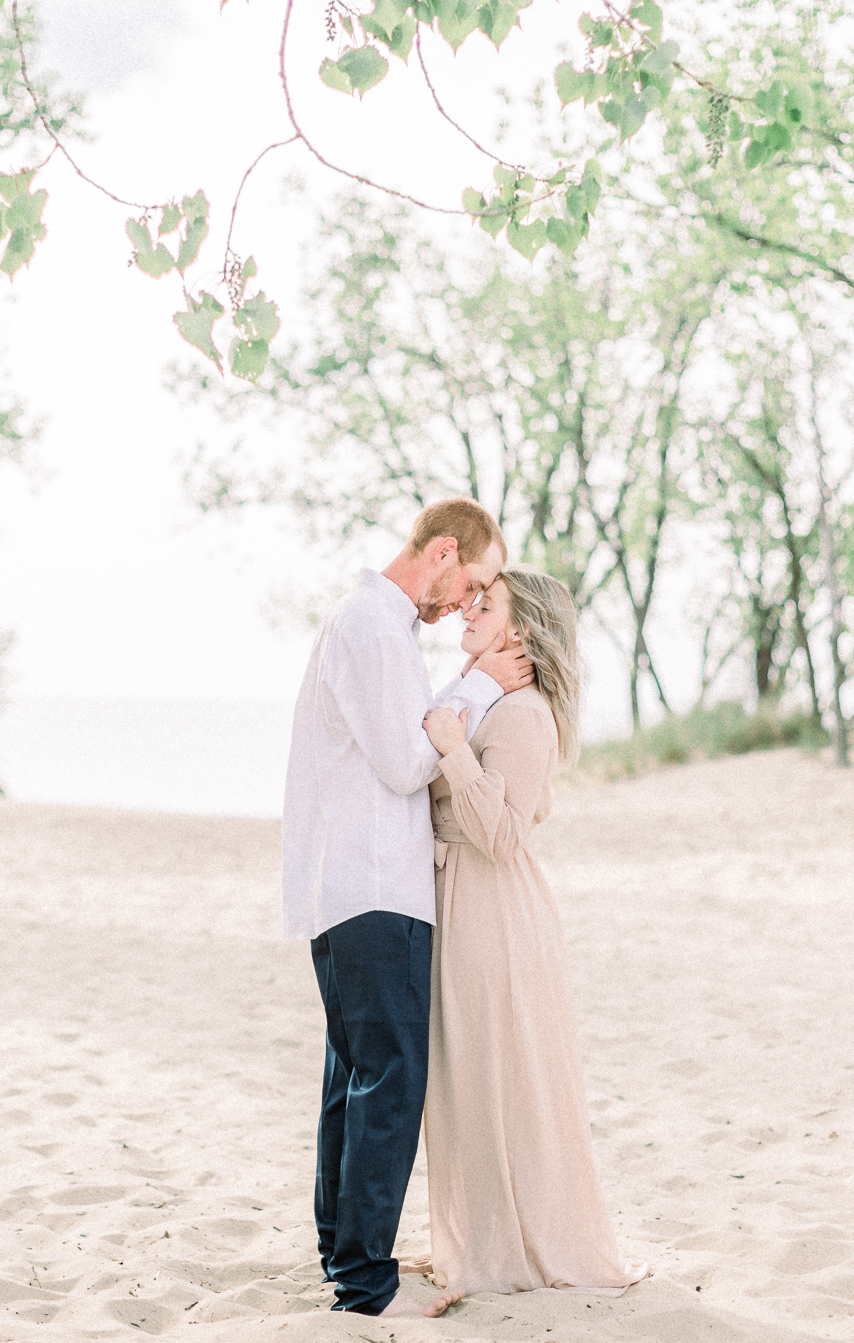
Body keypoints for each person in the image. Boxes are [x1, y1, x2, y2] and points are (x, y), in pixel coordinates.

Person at [282, 498, 535, 1318]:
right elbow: (403, 759)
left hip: (358, 886)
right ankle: (362, 1280)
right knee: (389, 1080)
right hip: (375, 889)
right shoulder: (372, 626)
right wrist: (479, 685)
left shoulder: (373, 627)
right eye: (473, 583)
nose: (468, 603)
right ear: (444, 551)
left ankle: (339, 1254)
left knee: (355, 1078)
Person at [415, 567, 648, 1315]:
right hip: (457, 900)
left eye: (488, 605)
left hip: (490, 907)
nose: (468, 611)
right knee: (464, 1081)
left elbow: (503, 832)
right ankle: (479, 1237)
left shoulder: (524, 715)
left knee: (493, 1079)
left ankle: (506, 1248)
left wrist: (452, 747)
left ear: (523, 629)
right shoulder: (486, 694)